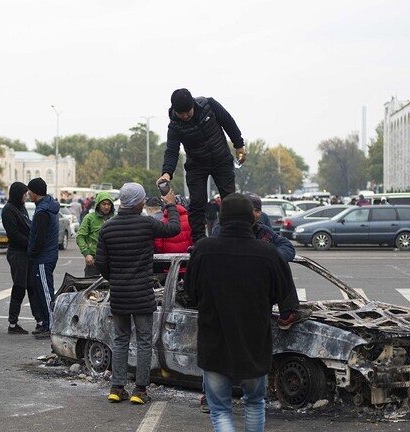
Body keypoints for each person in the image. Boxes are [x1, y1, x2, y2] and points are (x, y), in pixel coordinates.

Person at [185, 194, 303, 432]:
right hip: (254, 343)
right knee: (255, 402)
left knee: (220, 409)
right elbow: (284, 295)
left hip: (214, 341)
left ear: (222, 217)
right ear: (252, 217)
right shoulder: (268, 253)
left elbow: (190, 292)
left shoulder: (203, 250)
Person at [95, 182, 181, 404]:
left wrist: (116, 279)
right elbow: (174, 228)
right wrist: (171, 205)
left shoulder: (108, 228)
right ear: (138, 202)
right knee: (144, 340)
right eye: (142, 198)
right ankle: (140, 390)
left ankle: (117, 387)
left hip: (119, 293)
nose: (144, 201)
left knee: (120, 339)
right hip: (142, 292)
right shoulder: (147, 224)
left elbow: (101, 263)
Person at [157, 88, 246, 244]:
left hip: (221, 160)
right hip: (196, 165)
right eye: (181, 114)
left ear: (193, 105)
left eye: (188, 112)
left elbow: (228, 122)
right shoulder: (174, 126)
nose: (185, 116)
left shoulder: (209, 105)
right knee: (197, 203)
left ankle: (232, 235)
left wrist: (239, 145)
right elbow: (171, 151)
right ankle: (199, 240)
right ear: (175, 111)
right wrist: (167, 173)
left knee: (229, 200)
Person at [1, 182, 43, 334]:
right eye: (23, 194)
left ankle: (39, 320)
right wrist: (30, 244)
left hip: (26, 252)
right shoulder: (8, 210)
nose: (25, 196)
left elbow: (27, 226)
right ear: (17, 194)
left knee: (31, 286)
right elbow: (13, 234)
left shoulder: (21, 208)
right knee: (19, 287)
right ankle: (13, 323)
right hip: (17, 253)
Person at [26, 178, 60, 339]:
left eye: (29, 191)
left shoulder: (42, 212)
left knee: (46, 293)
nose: (27, 194)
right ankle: (46, 323)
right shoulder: (47, 206)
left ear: (34, 192)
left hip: (43, 257)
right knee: (41, 291)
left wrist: (32, 253)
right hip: (46, 256)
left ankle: (51, 326)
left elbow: (39, 238)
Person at [76, 191, 115, 277]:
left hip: (112, 260)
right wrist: (86, 254)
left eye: (109, 204)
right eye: (104, 204)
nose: (106, 207)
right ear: (98, 205)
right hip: (93, 260)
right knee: (90, 284)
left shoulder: (116, 218)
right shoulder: (89, 218)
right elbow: (80, 237)